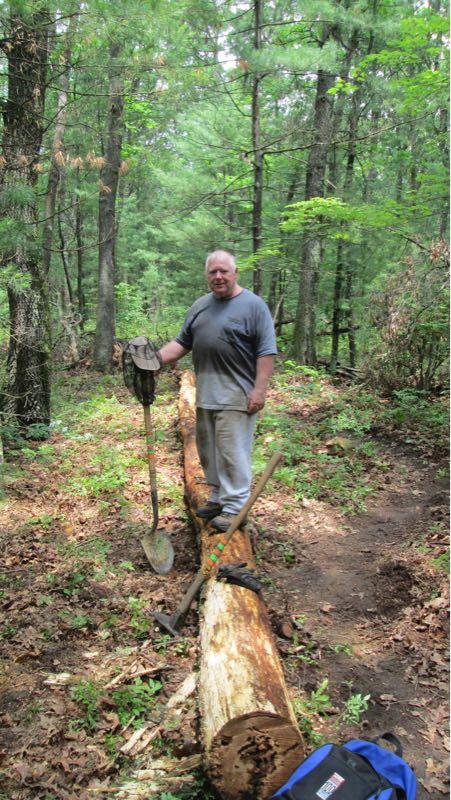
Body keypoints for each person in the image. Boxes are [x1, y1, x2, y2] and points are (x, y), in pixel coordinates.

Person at [157, 250, 276, 532]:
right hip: (206, 394)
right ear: (207, 275)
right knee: (209, 450)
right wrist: (152, 360)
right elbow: (180, 344)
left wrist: (259, 390)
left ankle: (236, 508)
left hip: (238, 395)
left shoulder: (253, 306)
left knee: (232, 452)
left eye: (224, 271)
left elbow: (266, 351)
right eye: (213, 272)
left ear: (235, 273)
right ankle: (218, 497)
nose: (219, 276)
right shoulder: (200, 306)